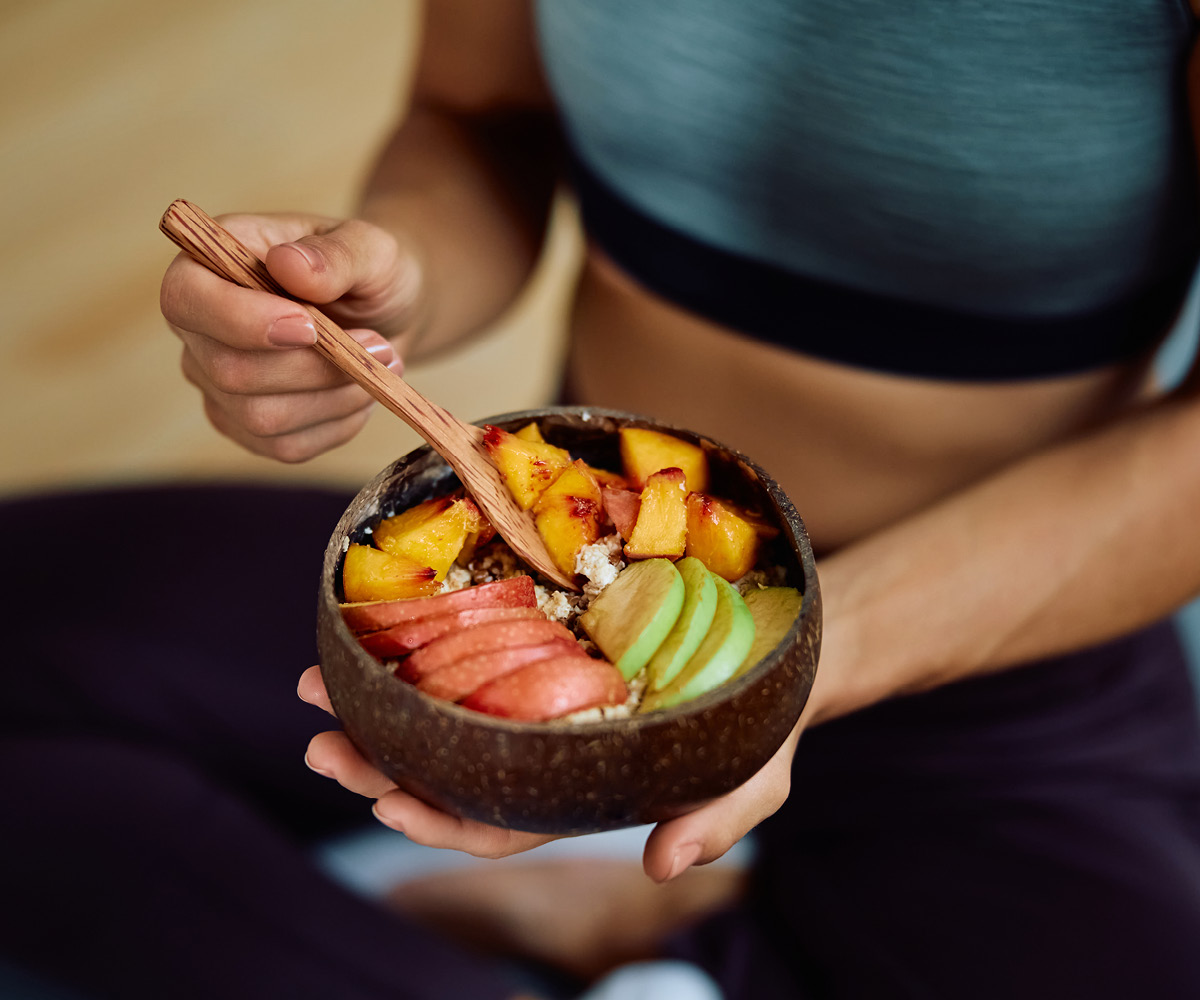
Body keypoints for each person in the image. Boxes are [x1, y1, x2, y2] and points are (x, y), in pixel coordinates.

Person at [6, 0, 1200, 996]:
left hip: (1001, 649)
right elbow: (482, 119)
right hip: (527, 600)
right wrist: (391, 282)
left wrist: (787, 677)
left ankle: (647, 934)